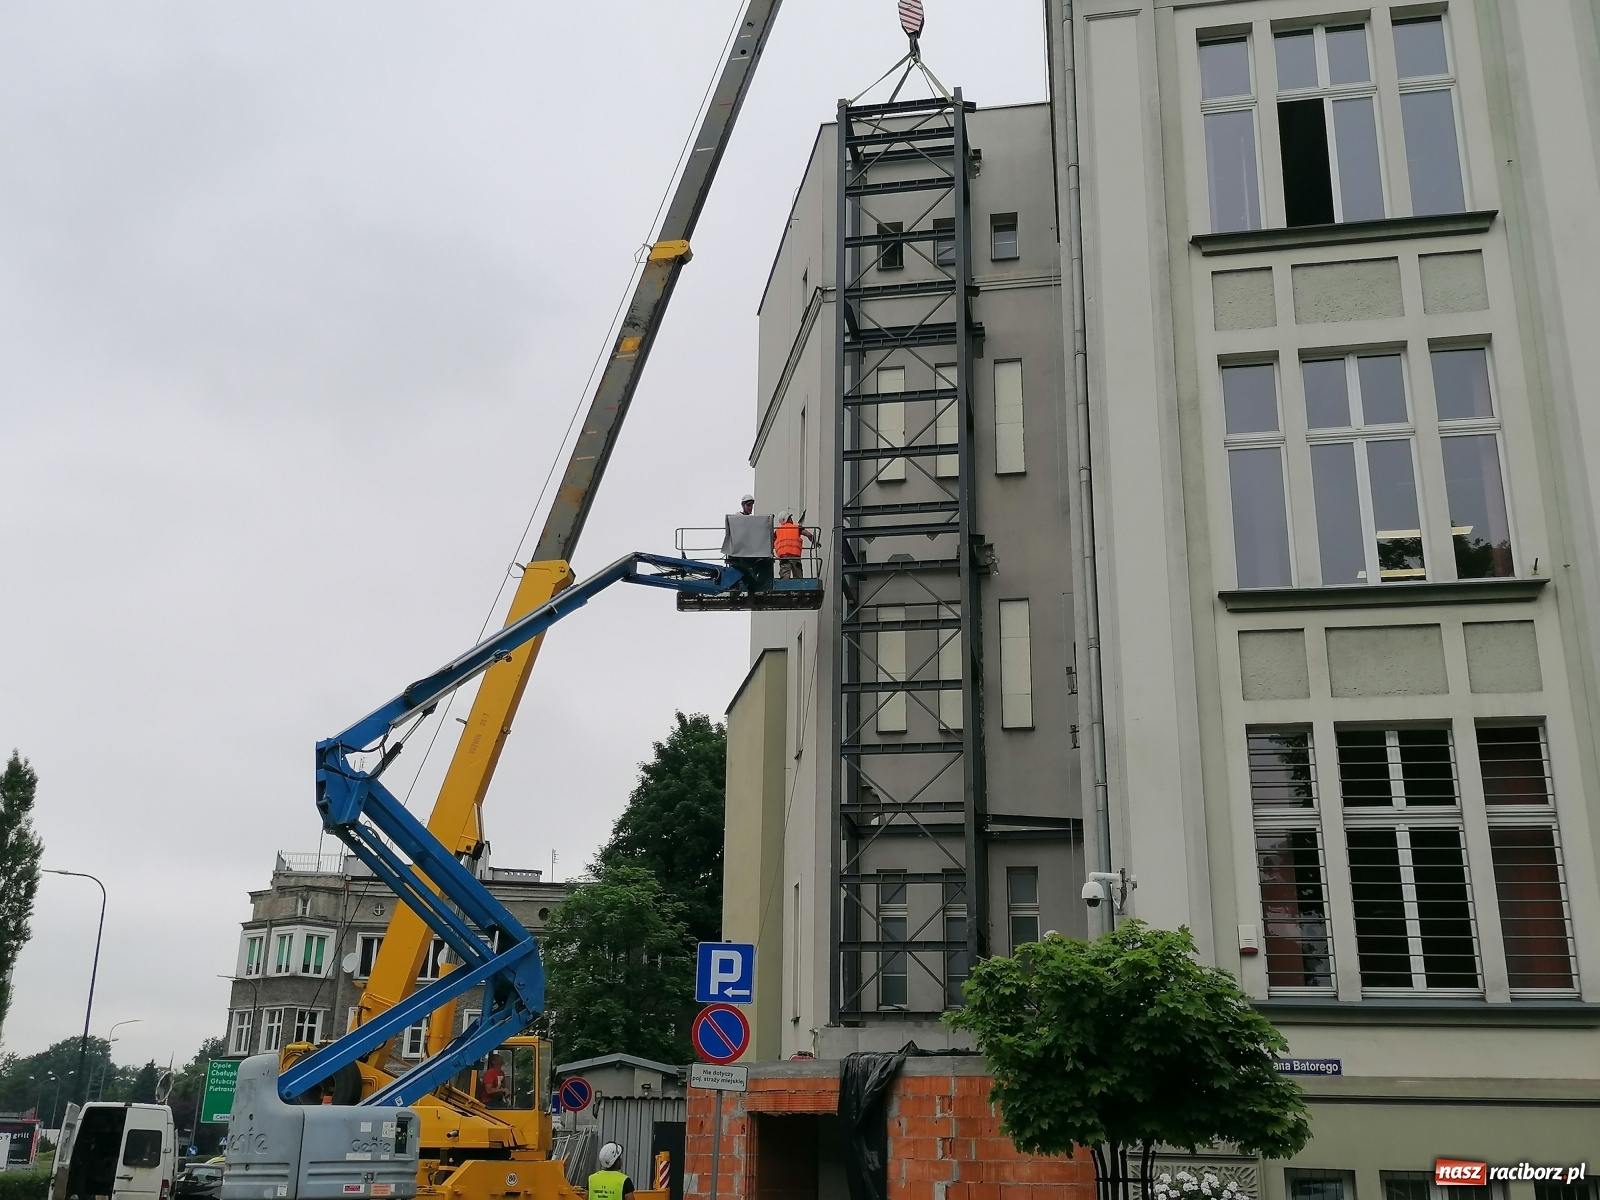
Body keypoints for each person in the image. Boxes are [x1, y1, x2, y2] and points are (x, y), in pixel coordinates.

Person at [722, 493, 773, 592]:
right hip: (740, 554)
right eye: (748, 505)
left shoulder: (751, 521)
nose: (750, 508)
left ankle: (756, 583)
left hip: (750, 553)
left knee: (765, 564)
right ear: (743, 506)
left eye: (751, 506)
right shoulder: (738, 518)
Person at [774, 513, 816, 579]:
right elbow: (809, 535)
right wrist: (815, 542)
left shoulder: (777, 532)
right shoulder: (797, 527)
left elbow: (771, 543)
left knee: (785, 578)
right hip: (795, 557)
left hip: (784, 558)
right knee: (798, 578)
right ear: (788, 519)